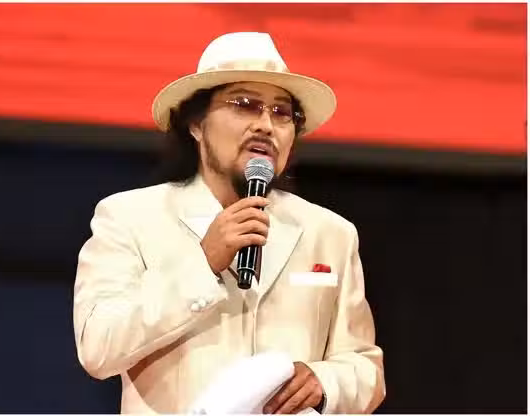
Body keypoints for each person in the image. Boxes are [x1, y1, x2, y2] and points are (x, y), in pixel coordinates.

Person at [73, 32, 385, 414]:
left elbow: (364, 366)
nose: (266, 125)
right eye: (245, 105)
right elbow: (98, 347)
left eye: (281, 112)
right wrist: (203, 262)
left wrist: (326, 382)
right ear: (196, 124)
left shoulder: (330, 233)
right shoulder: (131, 216)